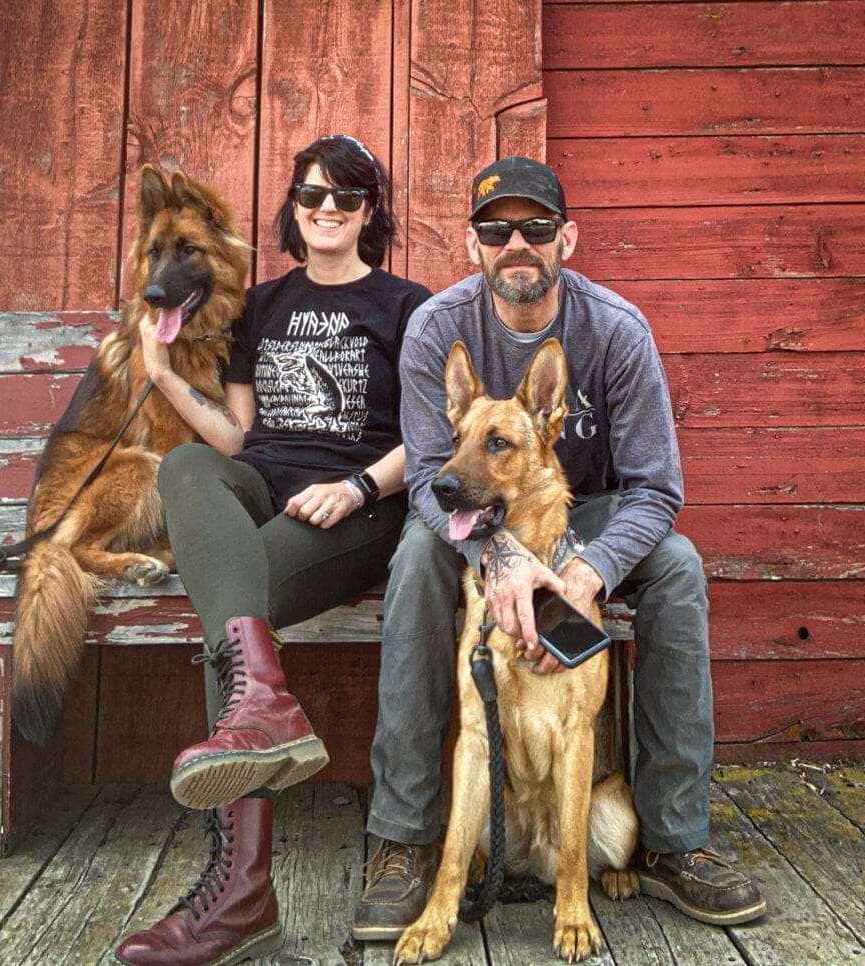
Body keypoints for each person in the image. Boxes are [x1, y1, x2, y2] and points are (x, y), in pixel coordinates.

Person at [352, 156, 766, 940]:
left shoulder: (614, 329)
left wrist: (587, 570)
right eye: (496, 229)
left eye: (535, 227)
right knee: (412, 560)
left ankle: (677, 842)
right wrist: (498, 559)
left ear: (565, 238)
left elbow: (657, 490)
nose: (517, 244)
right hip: (470, 515)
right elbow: (425, 487)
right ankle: (405, 838)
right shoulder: (438, 329)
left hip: (591, 511)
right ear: (474, 244)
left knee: (676, 566)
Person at [114, 134, 430, 966]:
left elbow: (432, 435)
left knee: (233, 610)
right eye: (312, 195)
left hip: (357, 508)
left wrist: (359, 486)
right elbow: (239, 435)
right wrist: (166, 375)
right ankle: (264, 712)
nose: (326, 210)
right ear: (292, 207)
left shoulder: (408, 307)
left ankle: (238, 897)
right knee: (187, 463)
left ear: (371, 213)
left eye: (346, 198)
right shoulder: (263, 305)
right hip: (264, 481)